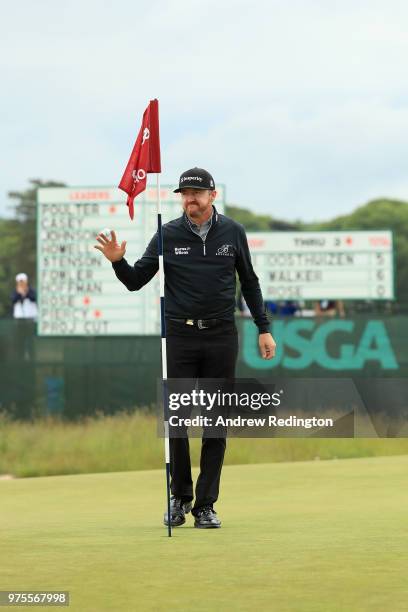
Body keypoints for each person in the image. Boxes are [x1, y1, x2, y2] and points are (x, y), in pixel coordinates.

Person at [94, 167, 276, 529]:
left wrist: (264, 328)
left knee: (215, 423)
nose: (189, 199)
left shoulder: (233, 232)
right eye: (184, 193)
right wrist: (118, 263)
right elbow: (135, 281)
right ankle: (178, 499)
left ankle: (205, 505)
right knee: (177, 421)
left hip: (222, 336)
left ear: (212, 196)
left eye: (196, 193)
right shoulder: (168, 233)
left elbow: (250, 283)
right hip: (180, 337)